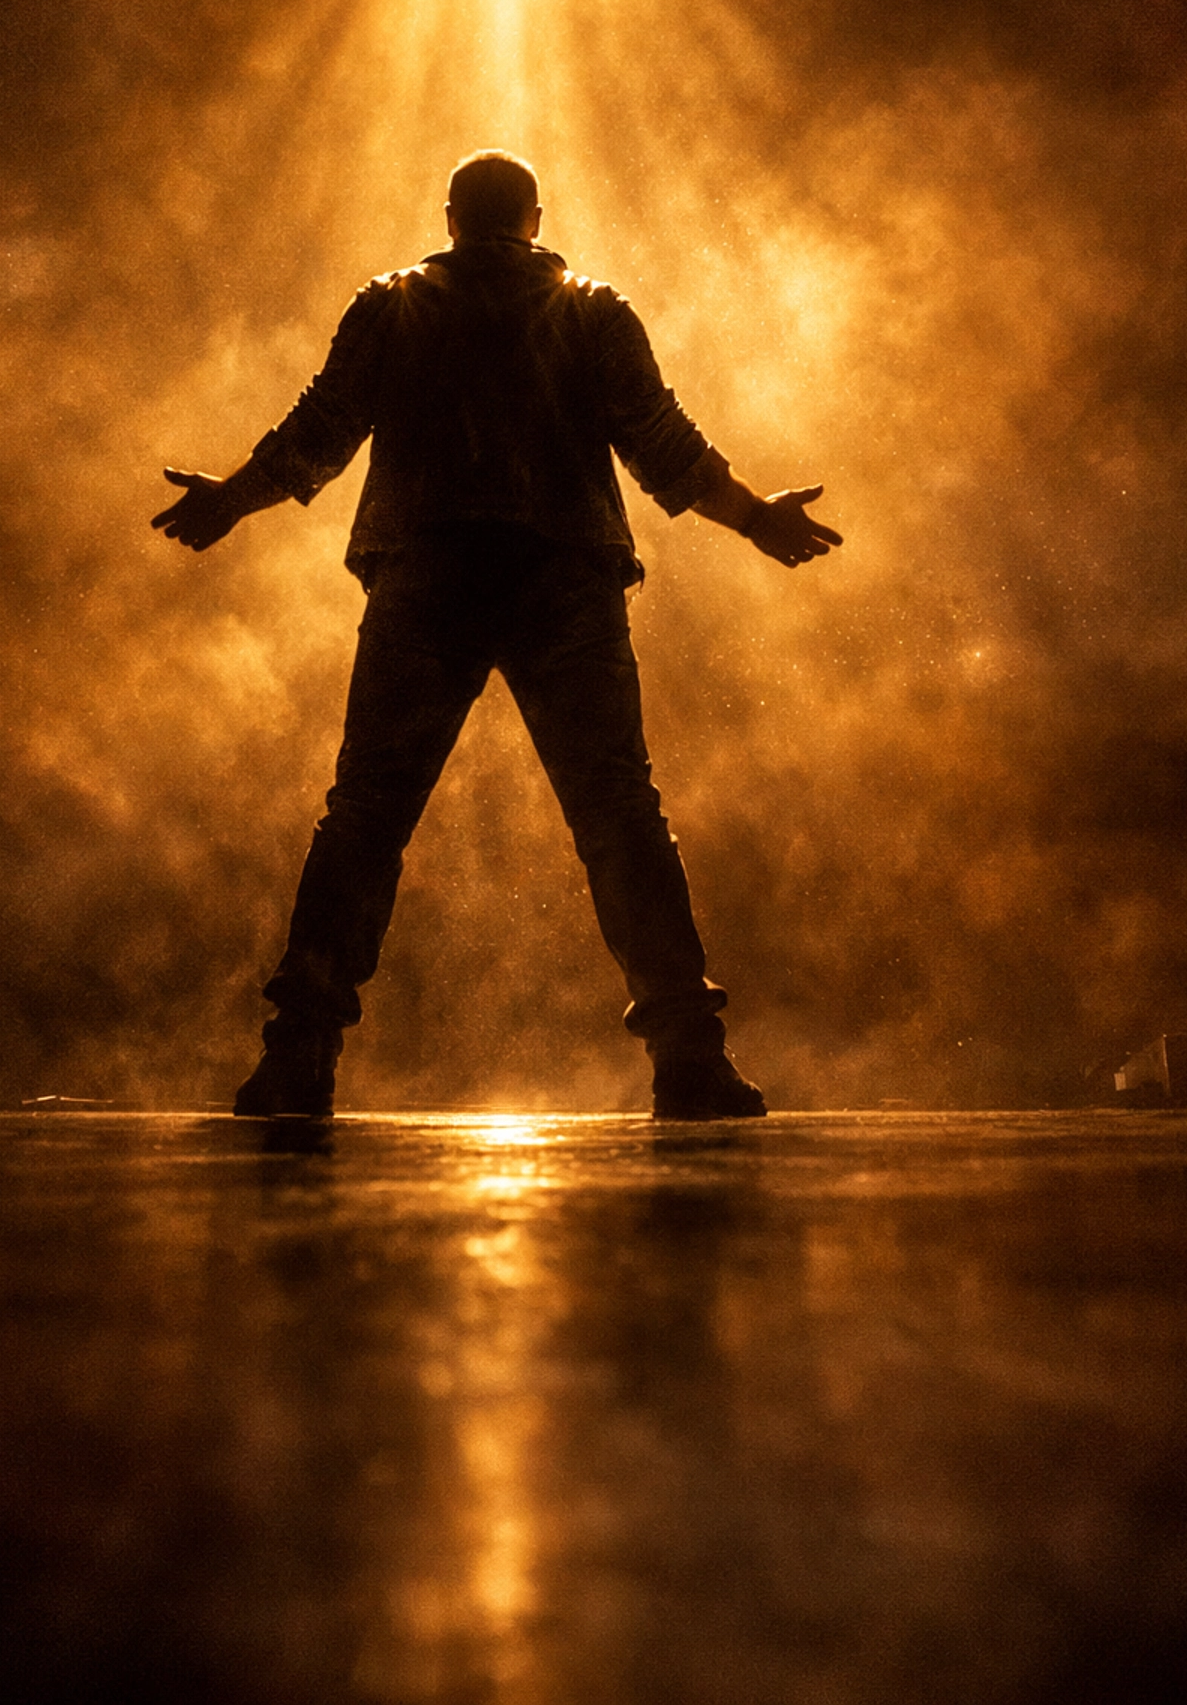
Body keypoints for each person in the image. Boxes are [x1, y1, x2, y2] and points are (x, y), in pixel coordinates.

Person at [153, 151, 841, 1118]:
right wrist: (757, 517)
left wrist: (232, 500)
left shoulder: (390, 306)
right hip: (565, 575)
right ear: (535, 216)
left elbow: (320, 429)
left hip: (426, 572)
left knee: (366, 815)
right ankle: (690, 1055)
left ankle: (298, 1054)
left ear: (447, 219)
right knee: (617, 813)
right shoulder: (593, 310)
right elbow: (664, 444)